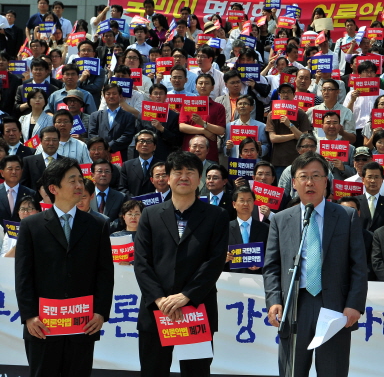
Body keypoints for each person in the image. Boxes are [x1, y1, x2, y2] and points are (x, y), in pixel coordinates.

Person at [263, 152, 367, 377]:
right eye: (303, 176)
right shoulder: (281, 220)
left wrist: (354, 304)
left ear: (326, 181)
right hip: (295, 306)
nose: (309, 182)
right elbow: (271, 266)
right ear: (294, 182)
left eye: (316, 176)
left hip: (335, 307)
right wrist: (274, 301)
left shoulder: (346, 216)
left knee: (333, 371)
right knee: (292, 371)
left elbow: (358, 265)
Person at [15, 157, 114, 377]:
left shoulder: (97, 225)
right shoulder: (31, 226)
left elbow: (105, 273)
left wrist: (100, 312)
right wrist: (29, 316)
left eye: (80, 179)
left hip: (83, 325)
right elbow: (23, 275)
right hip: (43, 326)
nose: (80, 185)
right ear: (53, 188)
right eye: (72, 180)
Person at [134, 151, 229, 377]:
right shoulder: (150, 214)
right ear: (168, 178)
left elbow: (214, 261)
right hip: (157, 311)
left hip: (196, 310)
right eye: (178, 172)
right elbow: (142, 261)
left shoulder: (217, 215)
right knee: (153, 372)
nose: (184, 177)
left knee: (196, 372)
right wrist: (160, 299)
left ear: (199, 179)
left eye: (190, 172)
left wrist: (186, 296)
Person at [225, 186, 270, 274]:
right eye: (242, 200)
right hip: (232, 278)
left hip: (258, 278)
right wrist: (223, 258)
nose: (246, 204)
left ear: (253, 203)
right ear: (234, 204)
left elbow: (271, 255)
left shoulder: (265, 228)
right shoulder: (224, 229)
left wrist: (262, 262)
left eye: (249, 200)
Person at [88, 84, 137, 161]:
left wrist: (110, 147)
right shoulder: (95, 116)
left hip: (120, 155)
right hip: (99, 156)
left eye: (114, 94)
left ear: (120, 96)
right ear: (104, 96)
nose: (111, 96)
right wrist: (102, 148)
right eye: (108, 94)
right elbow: (92, 134)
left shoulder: (129, 116)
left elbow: (127, 136)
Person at [119, 130, 162, 197]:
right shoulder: (127, 166)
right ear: (136, 145)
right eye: (141, 141)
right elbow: (122, 188)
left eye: (149, 141)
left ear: (154, 147)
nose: (144, 144)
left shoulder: (162, 166)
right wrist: (134, 200)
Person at [355, 162, 384, 232]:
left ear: (382, 180)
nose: (373, 181)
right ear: (363, 180)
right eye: (369, 177)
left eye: (376, 177)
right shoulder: (355, 202)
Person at [0, 155, 36, 223]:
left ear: (22, 171)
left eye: (17, 169)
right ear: (2, 173)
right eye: (10, 169)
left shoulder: (31, 193)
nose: (14, 172)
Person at [89, 158, 126, 223]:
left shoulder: (121, 197)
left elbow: (121, 219)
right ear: (92, 175)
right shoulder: (86, 196)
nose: (103, 174)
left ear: (111, 175)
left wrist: (105, 227)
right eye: (100, 171)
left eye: (107, 171)